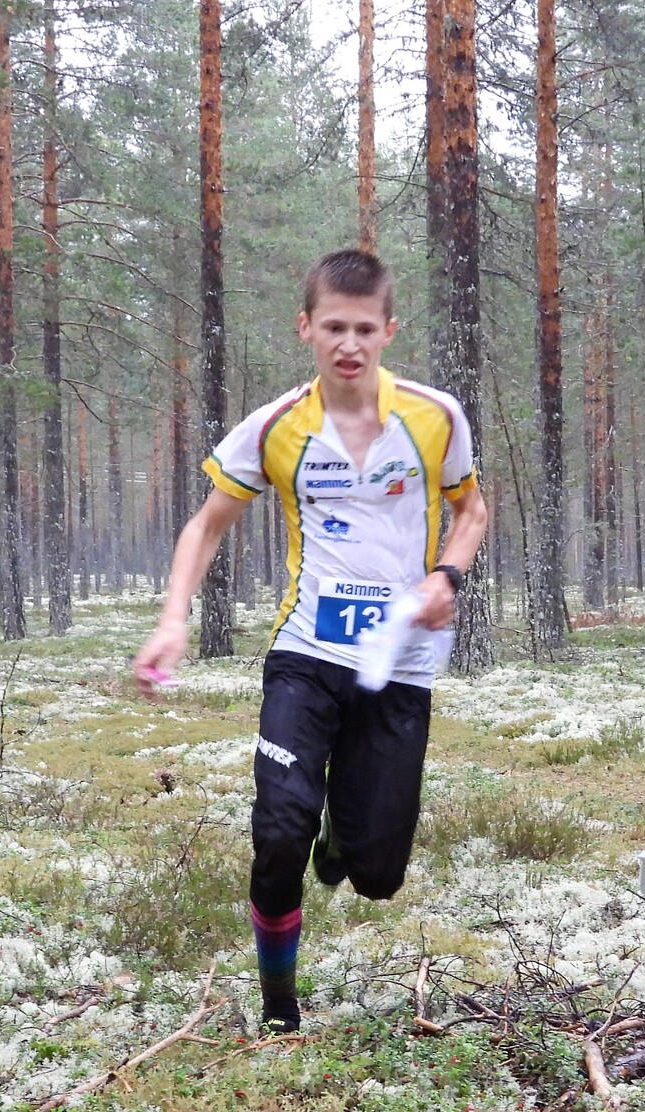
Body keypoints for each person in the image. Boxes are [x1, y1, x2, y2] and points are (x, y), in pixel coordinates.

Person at [132, 249, 488, 1033]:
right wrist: (172, 618)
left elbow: (473, 511)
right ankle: (279, 1006)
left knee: (378, 875)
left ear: (389, 331)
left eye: (365, 328)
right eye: (334, 327)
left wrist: (447, 577)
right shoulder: (275, 427)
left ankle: (344, 833)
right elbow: (205, 525)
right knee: (277, 831)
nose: (349, 343)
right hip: (305, 653)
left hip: (399, 663)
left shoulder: (435, 417)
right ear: (307, 328)